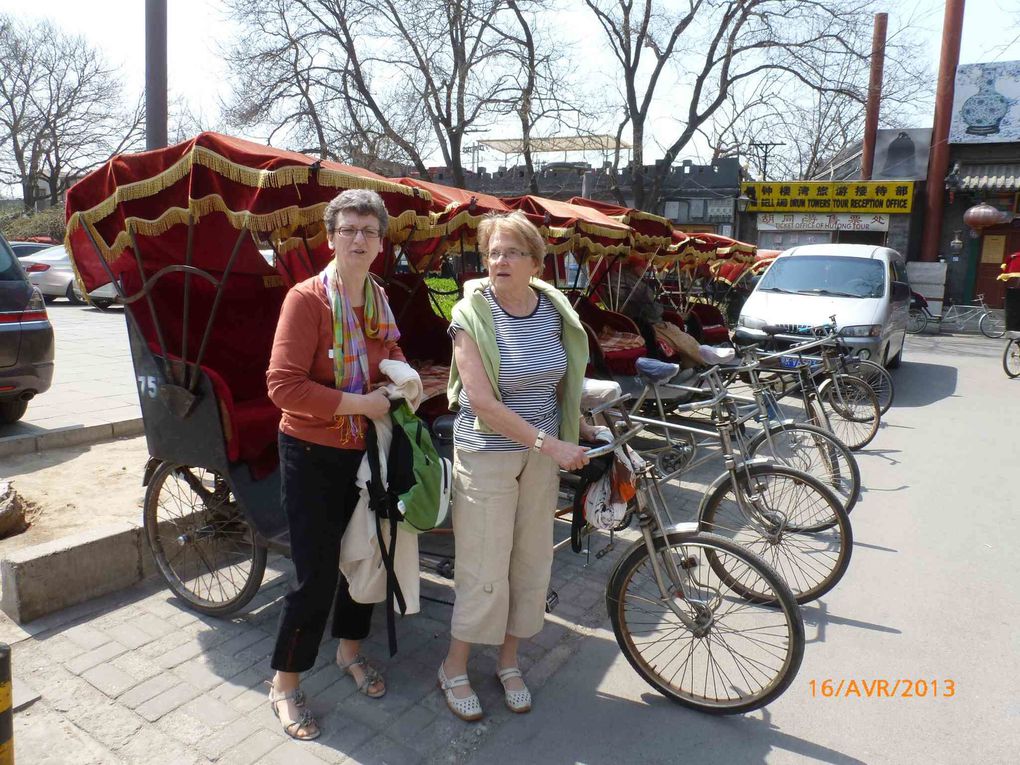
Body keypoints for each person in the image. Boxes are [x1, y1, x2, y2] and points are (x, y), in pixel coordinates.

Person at [440, 211, 596, 721]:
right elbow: (482, 402)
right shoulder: (471, 315)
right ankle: (454, 666)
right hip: (488, 453)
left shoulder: (553, 308)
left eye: (510, 252)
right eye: (492, 253)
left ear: (535, 260)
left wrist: (578, 425)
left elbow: (558, 379)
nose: (499, 261)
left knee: (530, 560)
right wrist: (550, 445)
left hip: (541, 454)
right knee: (484, 565)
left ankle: (508, 661)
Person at [265, 188, 404, 741]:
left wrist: (399, 380)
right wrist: (360, 404)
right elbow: (282, 386)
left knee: (365, 558)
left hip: (367, 449)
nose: (358, 240)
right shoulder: (307, 300)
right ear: (331, 237)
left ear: (379, 242)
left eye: (369, 232)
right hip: (312, 450)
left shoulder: (379, 299)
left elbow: (389, 356)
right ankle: (284, 683)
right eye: (348, 230)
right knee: (315, 573)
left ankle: (349, 651)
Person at [613, 258, 733, 367]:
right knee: (674, 334)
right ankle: (703, 356)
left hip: (647, 320)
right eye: (644, 267)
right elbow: (654, 310)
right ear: (636, 267)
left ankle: (699, 357)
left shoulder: (629, 280)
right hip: (642, 322)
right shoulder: (631, 283)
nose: (646, 269)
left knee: (676, 331)